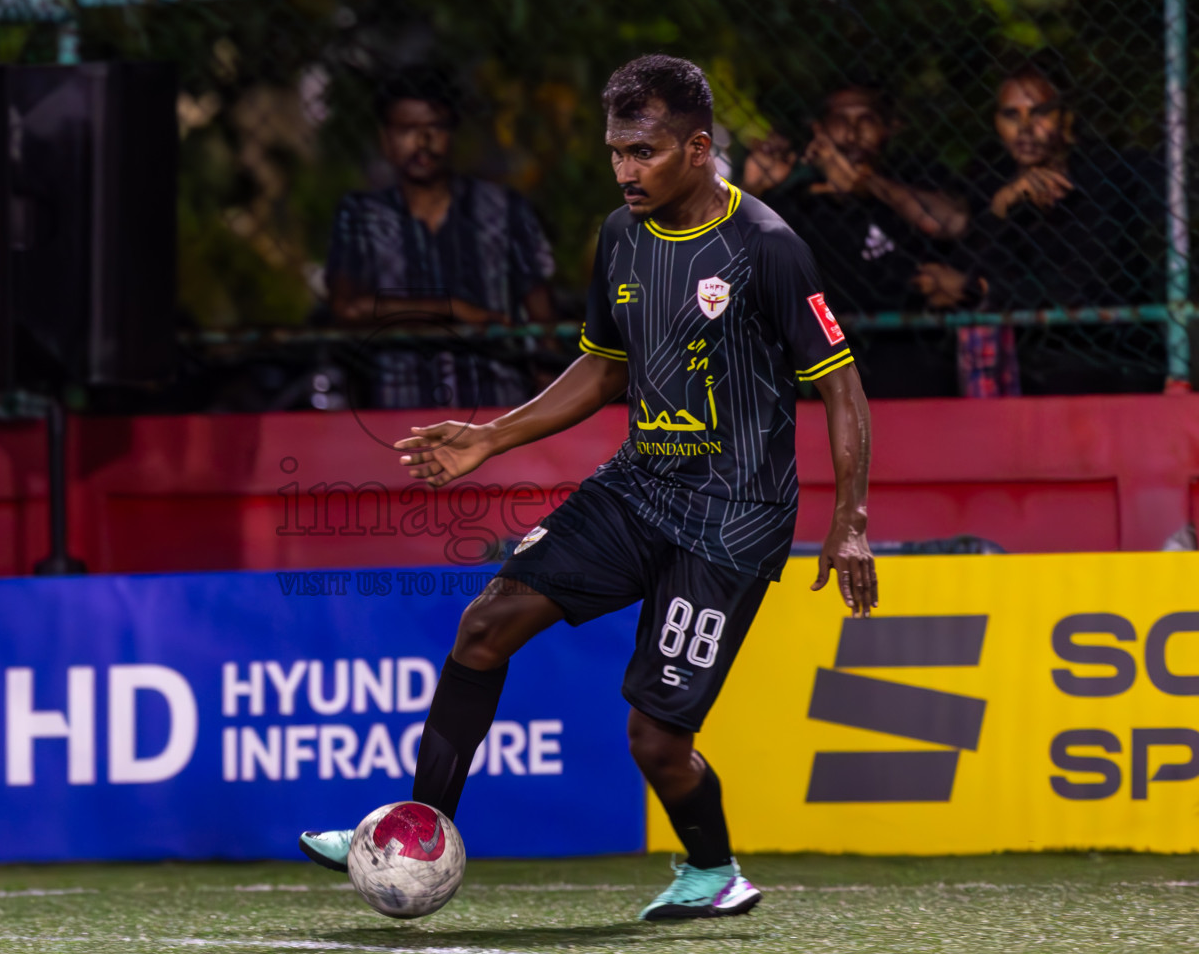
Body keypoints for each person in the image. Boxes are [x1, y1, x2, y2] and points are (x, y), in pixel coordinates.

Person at [299, 54, 878, 922]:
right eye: (615, 151)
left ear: (697, 147)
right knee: (485, 626)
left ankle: (713, 870)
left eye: (642, 152)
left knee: (656, 739)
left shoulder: (768, 246)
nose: (624, 170)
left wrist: (852, 521)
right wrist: (490, 438)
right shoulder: (621, 234)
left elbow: (841, 385)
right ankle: (415, 826)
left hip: (731, 521)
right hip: (638, 488)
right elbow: (605, 368)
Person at [326, 69, 556, 410]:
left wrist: (548, 394)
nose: (422, 141)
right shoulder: (361, 216)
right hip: (399, 410)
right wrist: (451, 310)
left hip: (498, 406)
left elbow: (541, 315)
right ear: (385, 138)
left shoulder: (505, 210)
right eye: (407, 129)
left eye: (434, 128)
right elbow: (346, 308)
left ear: (452, 133)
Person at [933, 65, 1164, 394]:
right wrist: (1001, 209)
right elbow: (957, 274)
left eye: (1040, 113)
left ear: (1066, 121)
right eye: (1012, 115)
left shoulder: (1107, 177)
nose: (1025, 128)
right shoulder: (988, 185)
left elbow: (1083, 288)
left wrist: (983, 289)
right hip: (1026, 364)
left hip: (1112, 357)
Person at [753, 85, 968, 397]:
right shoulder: (794, 199)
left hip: (911, 353)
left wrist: (869, 184)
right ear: (820, 130)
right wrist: (752, 189)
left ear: (889, 127)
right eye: (840, 120)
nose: (852, 132)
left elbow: (953, 222)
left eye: (866, 119)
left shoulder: (913, 176)